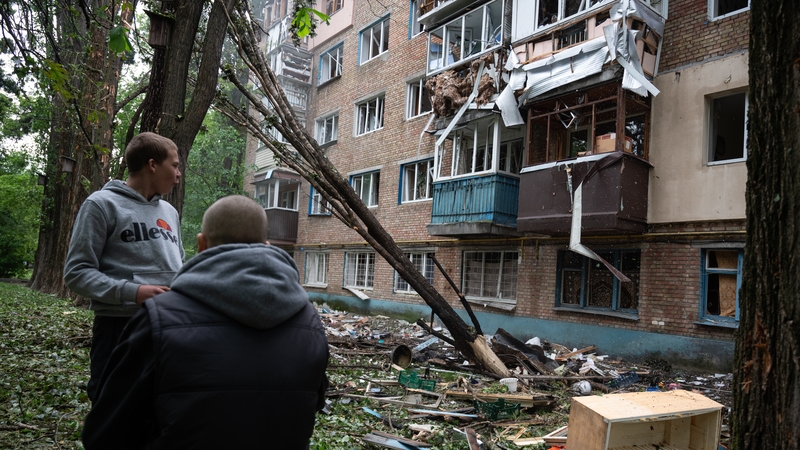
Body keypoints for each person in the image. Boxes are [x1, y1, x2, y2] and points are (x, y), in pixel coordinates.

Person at [81, 195, 330, 449]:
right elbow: (312, 404)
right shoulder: (310, 322)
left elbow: (106, 432)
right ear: (265, 245)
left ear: (202, 244)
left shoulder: (159, 317)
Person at [63, 132, 184, 403]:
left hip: (167, 326)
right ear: (152, 164)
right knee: (114, 408)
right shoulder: (101, 205)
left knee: (161, 406)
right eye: (174, 165)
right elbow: (76, 272)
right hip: (119, 329)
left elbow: (179, 267)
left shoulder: (170, 212)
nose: (178, 174)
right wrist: (134, 292)